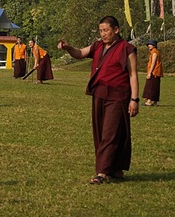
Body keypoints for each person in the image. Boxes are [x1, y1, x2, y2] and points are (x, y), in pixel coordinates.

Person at [58, 16, 139, 184]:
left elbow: (133, 75)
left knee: (110, 133)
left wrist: (135, 99)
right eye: (101, 31)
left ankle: (101, 172)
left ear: (116, 30)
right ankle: (115, 169)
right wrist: (68, 48)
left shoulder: (127, 49)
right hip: (99, 94)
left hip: (117, 96)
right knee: (101, 132)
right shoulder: (98, 46)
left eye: (106, 30)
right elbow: (80, 53)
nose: (103, 34)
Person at [143, 40, 163, 106]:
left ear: (154, 45)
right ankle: (155, 102)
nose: (148, 46)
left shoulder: (154, 52)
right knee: (155, 87)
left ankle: (149, 101)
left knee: (150, 87)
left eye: (150, 44)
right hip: (157, 73)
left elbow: (153, 63)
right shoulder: (154, 52)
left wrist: (149, 73)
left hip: (154, 72)